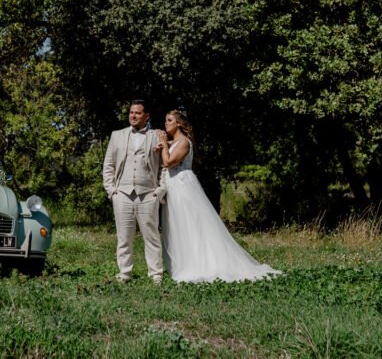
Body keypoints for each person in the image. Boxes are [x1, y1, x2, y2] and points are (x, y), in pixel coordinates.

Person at [155, 109, 279, 283]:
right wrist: (163, 145)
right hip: (173, 187)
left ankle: (200, 264)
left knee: (190, 224)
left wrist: (163, 144)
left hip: (183, 187)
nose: (166, 123)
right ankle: (181, 263)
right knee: (177, 226)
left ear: (179, 123)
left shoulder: (184, 142)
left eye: (169, 120)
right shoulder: (173, 142)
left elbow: (168, 162)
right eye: (165, 120)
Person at [102, 99, 167, 283]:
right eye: (131, 112)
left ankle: (156, 274)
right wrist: (111, 191)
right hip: (122, 194)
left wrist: (160, 190)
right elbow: (108, 165)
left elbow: (164, 166)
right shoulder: (117, 135)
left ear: (146, 116)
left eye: (138, 113)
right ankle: (124, 273)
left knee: (152, 237)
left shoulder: (157, 136)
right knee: (124, 237)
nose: (133, 116)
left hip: (148, 193)